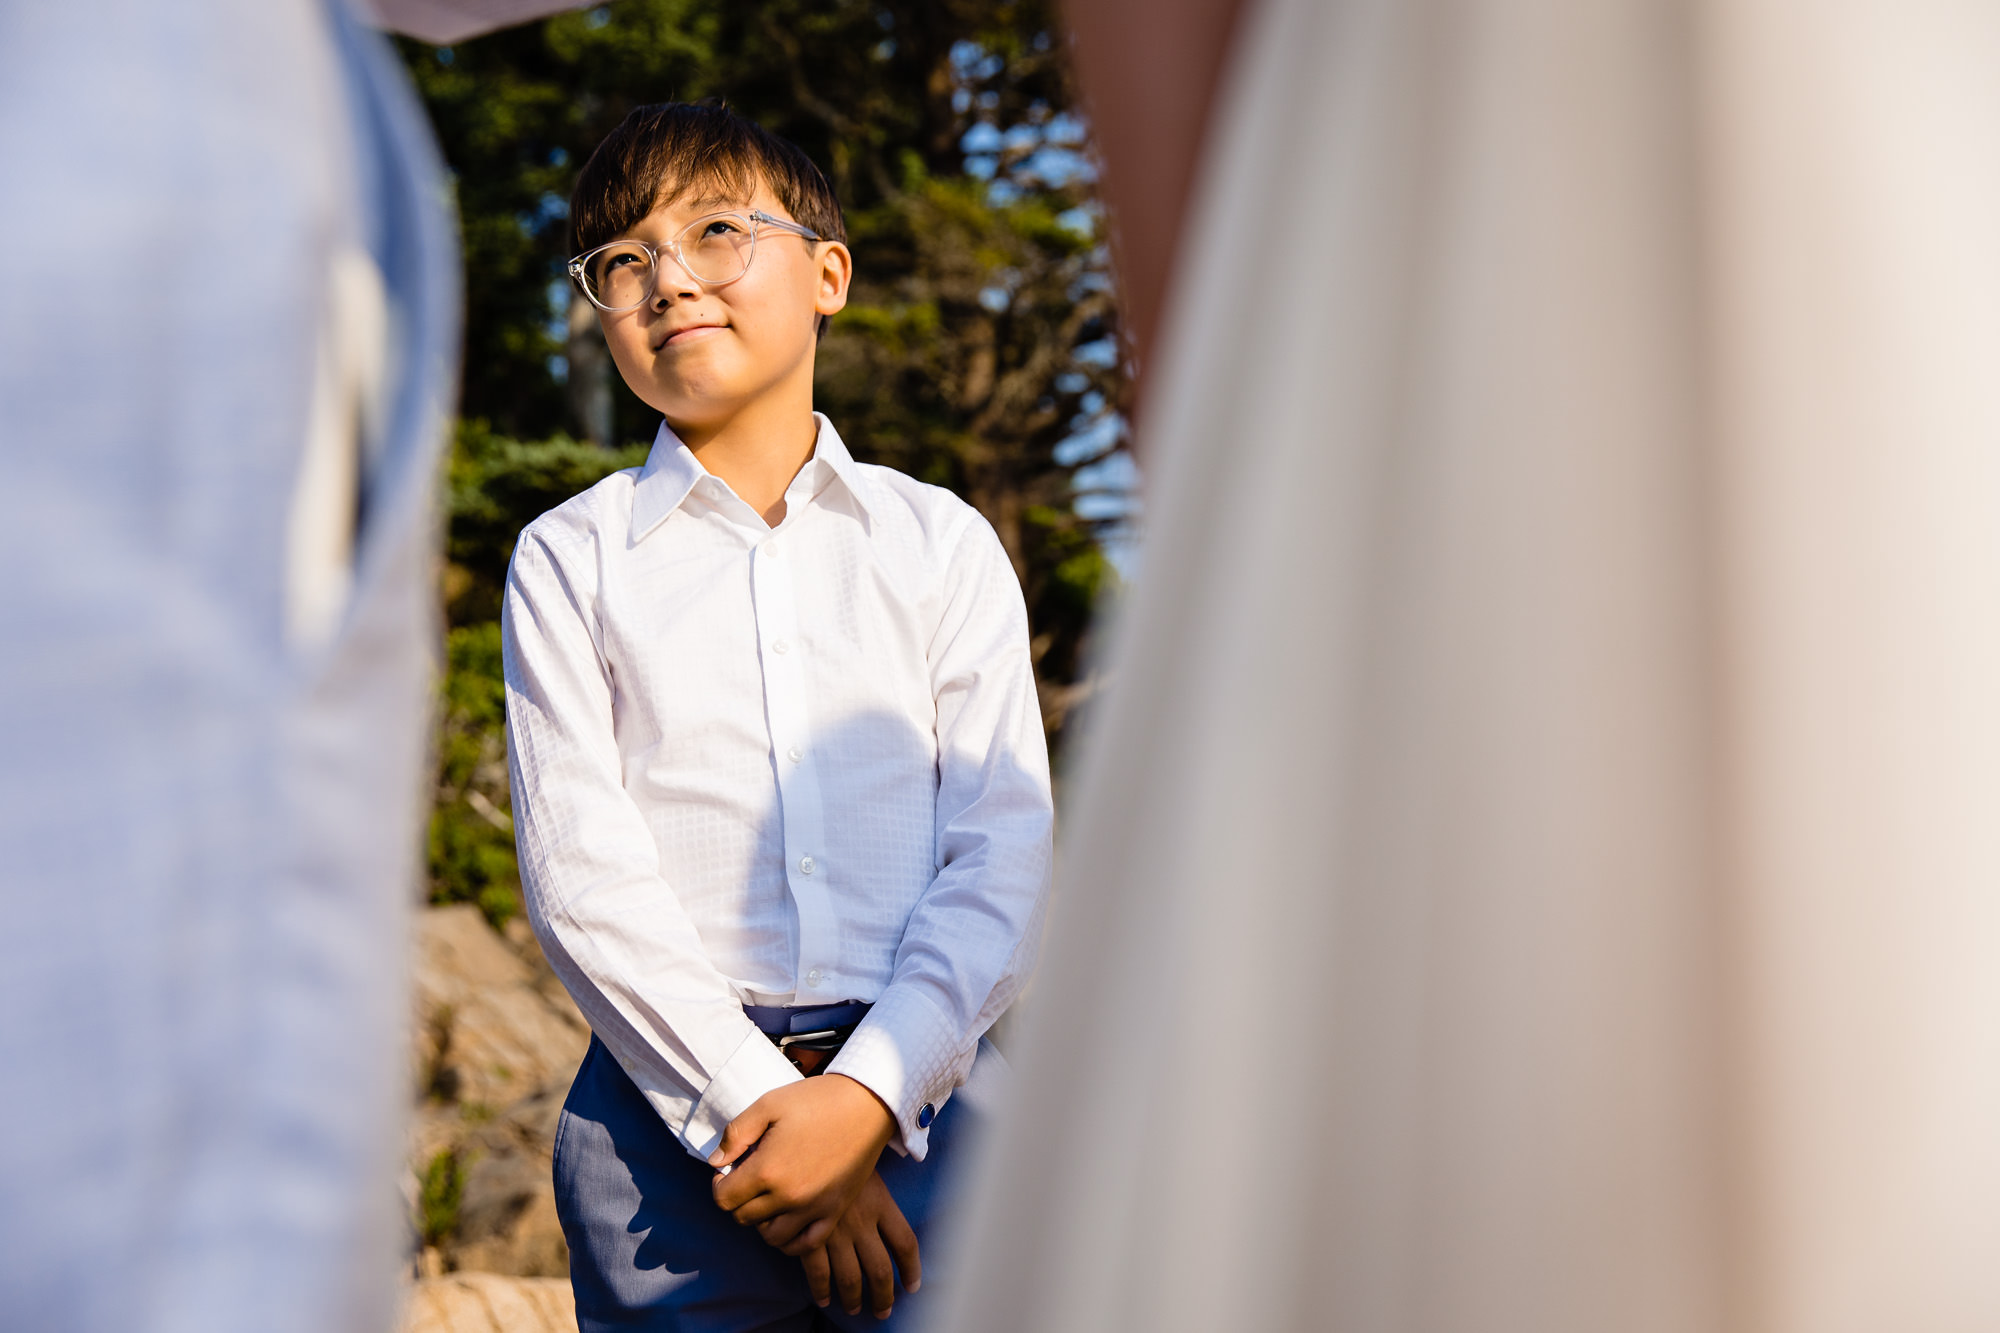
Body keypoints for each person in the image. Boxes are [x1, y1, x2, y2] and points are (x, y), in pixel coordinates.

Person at [501, 102, 1053, 1331]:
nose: (667, 280)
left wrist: (867, 1096)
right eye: (622, 261)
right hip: (663, 1122)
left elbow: (1001, 848)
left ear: (827, 274)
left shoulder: (939, 544)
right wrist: (766, 1115)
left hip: (936, 1098)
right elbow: (580, 874)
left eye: (713, 231)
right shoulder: (569, 557)